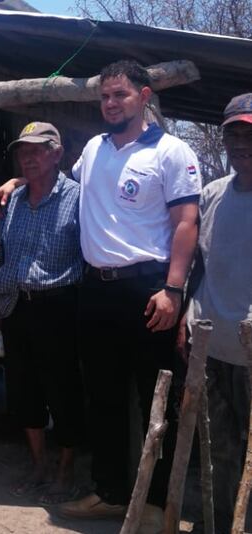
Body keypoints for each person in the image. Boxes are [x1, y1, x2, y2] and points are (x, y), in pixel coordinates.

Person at [0, 60, 201, 529]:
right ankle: (109, 491)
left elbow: (186, 222)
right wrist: (18, 180)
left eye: (120, 95)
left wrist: (173, 288)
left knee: (155, 400)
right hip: (96, 289)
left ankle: (156, 502)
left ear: (144, 97)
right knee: (102, 397)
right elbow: (59, 184)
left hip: (149, 289)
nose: (110, 104)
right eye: (104, 96)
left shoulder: (170, 151)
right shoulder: (94, 149)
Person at [0, 122, 84, 504]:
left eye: (38, 150)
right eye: (22, 152)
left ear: (57, 154)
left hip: (58, 305)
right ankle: (39, 466)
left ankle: (66, 471)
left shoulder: (78, 197)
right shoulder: (13, 199)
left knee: (63, 391)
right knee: (24, 390)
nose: (28, 157)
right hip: (17, 305)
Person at [184, 93, 252, 534]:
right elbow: (197, 264)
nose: (242, 143)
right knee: (219, 449)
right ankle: (221, 524)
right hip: (211, 346)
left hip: (251, 350)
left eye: (251, 134)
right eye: (234, 135)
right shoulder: (212, 195)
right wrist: (187, 321)